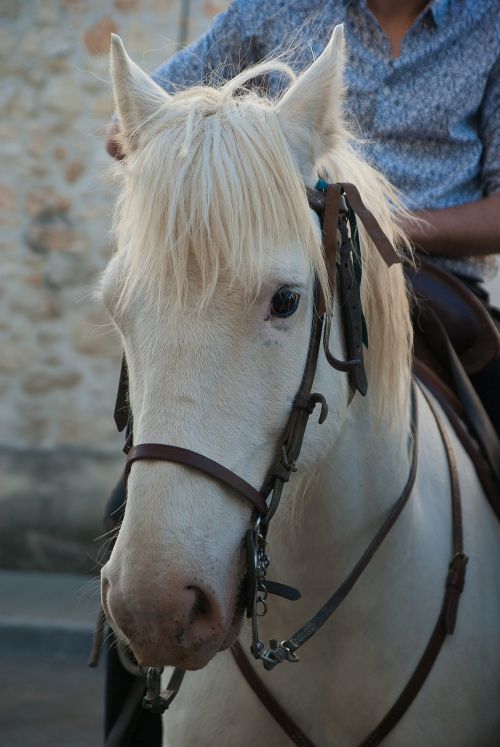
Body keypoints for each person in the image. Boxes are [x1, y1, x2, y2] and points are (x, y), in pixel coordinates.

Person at [107, 0, 500, 431]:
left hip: (429, 275)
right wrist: (248, 185)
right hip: (269, 270)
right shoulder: (274, 7)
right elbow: (129, 131)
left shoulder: (490, 25)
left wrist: (375, 227)